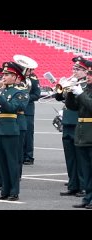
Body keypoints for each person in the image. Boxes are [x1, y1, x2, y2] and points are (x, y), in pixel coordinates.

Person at [0, 62, 29, 201]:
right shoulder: (2, 91)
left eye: (7, 75)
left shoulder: (20, 92)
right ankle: (4, 190)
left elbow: (12, 108)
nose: (3, 77)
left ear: (14, 76)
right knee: (1, 162)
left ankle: (13, 191)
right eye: (3, 74)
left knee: (12, 162)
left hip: (11, 130)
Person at [56, 56, 86, 197]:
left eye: (78, 69)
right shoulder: (72, 82)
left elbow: (80, 103)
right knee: (70, 157)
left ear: (86, 72)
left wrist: (74, 89)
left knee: (80, 157)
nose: (75, 71)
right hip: (68, 122)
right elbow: (59, 98)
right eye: (74, 68)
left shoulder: (85, 86)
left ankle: (82, 186)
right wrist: (62, 88)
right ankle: (73, 185)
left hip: (78, 123)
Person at [66, 61, 92, 209]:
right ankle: (87, 198)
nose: (88, 77)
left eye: (90, 74)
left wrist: (80, 94)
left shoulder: (85, 92)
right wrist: (70, 91)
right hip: (82, 132)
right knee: (86, 169)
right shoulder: (86, 89)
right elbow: (72, 107)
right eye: (87, 74)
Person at [23, 65, 41, 165]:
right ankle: (20, 155)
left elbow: (37, 95)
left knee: (28, 134)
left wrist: (24, 97)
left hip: (28, 110)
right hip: (16, 110)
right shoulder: (18, 78)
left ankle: (28, 156)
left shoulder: (33, 79)